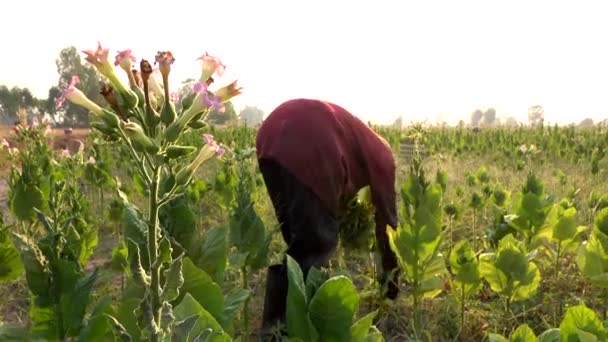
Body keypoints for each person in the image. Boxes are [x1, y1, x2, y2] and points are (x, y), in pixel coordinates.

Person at [255, 98, 400, 335]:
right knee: (317, 245)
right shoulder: (383, 157)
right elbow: (388, 224)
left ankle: (279, 326)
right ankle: (280, 331)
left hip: (271, 134)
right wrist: (391, 282)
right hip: (311, 139)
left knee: (298, 244)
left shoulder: (359, 138)